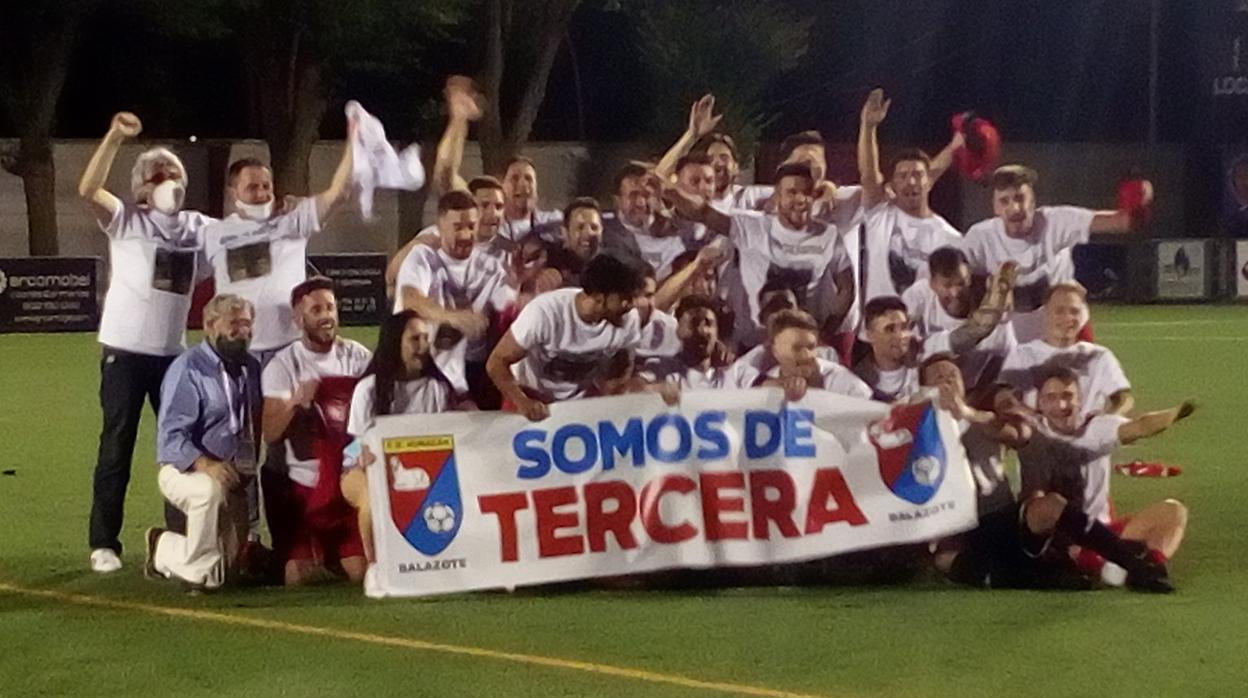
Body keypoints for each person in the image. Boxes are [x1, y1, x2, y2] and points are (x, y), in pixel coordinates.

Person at [78, 111, 218, 573]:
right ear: (143, 187)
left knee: (182, 448)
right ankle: (104, 543)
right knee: (117, 444)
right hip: (124, 350)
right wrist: (115, 136)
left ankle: (179, 537)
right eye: (161, 176)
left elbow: (242, 240)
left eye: (176, 176)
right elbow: (88, 189)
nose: (170, 184)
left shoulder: (197, 226)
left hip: (173, 355)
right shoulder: (127, 220)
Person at [1018, 367, 1190, 585]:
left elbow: (1139, 427)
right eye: (1051, 398)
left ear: (1080, 400)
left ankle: (1150, 566)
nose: (1061, 405)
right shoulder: (1030, 434)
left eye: (1067, 396)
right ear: (1040, 403)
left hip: (1105, 535)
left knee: (1173, 511)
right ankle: (1119, 567)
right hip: (1063, 544)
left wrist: (1176, 413)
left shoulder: (1096, 428)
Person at [203, 122, 354, 367]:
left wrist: (354, 143)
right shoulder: (212, 233)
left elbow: (340, 193)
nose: (262, 193)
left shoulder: (292, 222)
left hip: (288, 347)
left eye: (266, 185)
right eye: (252, 187)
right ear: (233, 192)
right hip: (238, 348)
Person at [665, 162, 857, 347]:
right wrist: (668, 192)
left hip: (802, 344)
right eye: (792, 192)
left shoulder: (828, 235)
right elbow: (703, 213)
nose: (800, 199)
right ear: (777, 196)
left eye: (807, 193)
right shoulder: (751, 226)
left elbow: (847, 288)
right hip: (752, 344)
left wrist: (824, 332)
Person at [143, 294, 260, 592]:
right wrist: (205, 464)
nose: (242, 331)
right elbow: (170, 436)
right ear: (210, 325)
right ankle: (189, 564)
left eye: (247, 324)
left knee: (224, 577)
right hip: (186, 473)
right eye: (234, 324)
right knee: (208, 491)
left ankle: (164, 547)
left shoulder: (251, 368)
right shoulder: (188, 369)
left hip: (232, 479)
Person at [260, 278, 372, 585]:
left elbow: (374, 418)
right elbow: (269, 433)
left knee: (361, 572)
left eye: (331, 307)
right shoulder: (283, 365)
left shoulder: (358, 357)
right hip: (302, 486)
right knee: (298, 578)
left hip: (346, 479)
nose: (327, 316)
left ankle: (335, 554)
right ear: (298, 318)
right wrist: (295, 402)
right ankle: (306, 553)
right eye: (317, 309)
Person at [961, 164, 1150, 342]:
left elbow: (1120, 222)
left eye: (1020, 198)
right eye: (1004, 201)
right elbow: (958, 283)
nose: (1014, 208)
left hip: (1067, 332)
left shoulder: (1056, 221)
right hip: (1013, 342)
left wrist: (1136, 207)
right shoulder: (980, 237)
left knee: (1090, 370)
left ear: (1033, 201)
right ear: (995, 207)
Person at [341, 311, 456, 590]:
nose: (422, 345)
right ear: (396, 343)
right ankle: (375, 568)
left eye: (425, 338)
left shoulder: (437, 388)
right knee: (371, 498)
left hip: (417, 469)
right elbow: (353, 442)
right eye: (414, 338)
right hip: (361, 468)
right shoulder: (368, 389)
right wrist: (363, 455)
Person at [394, 190, 517, 406]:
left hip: (451, 384)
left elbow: (511, 308)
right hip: (405, 377)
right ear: (440, 227)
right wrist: (454, 317)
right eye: (457, 227)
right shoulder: (422, 257)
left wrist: (526, 287)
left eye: (471, 226)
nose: (465, 235)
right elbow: (410, 300)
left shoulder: (491, 269)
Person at [486, 255, 645, 421]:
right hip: (530, 393)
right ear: (599, 296)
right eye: (625, 298)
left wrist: (618, 385)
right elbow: (496, 362)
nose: (632, 304)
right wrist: (522, 402)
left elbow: (624, 361)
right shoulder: (544, 312)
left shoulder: (628, 318)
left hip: (580, 401)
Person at [857, 89, 963, 306]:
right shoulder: (880, 214)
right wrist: (868, 127)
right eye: (903, 176)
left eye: (918, 175)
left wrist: (957, 146)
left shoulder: (949, 238)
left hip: (923, 336)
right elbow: (869, 175)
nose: (911, 182)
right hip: (874, 334)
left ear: (929, 181)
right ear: (893, 184)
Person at [1000, 282, 1132, 418]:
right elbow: (1003, 396)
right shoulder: (1023, 355)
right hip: (1038, 436)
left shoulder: (1100, 356)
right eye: (1059, 311)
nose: (1067, 318)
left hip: (1084, 436)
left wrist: (1108, 419)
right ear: (1045, 313)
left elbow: (1124, 398)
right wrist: (1031, 419)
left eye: (1074, 311)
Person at [905, 249, 1018, 396]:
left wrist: (973, 400)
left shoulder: (997, 320)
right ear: (932, 283)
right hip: (923, 388)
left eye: (960, 284)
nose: (955, 292)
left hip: (971, 391)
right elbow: (901, 334)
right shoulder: (919, 294)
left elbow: (1004, 362)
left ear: (969, 277)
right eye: (947, 286)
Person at [730, 309, 872, 400]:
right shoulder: (766, 383)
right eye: (797, 348)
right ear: (775, 351)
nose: (806, 355)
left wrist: (817, 393)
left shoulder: (845, 384)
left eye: (811, 347)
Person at [640, 295, 735, 390]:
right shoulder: (661, 369)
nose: (702, 330)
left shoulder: (733, 372)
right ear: (679, 331)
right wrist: (657, 389)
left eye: (708, 323)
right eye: (694, 323)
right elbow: (633, 388)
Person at [853, 296, 920, 403]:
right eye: (890, 329)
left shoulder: (923, 372)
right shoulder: (855, 381)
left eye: (904, 327)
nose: (901, 336)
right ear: (869, 335)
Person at [541, 197, 605, 286]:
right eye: (580, 227)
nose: (588, 233)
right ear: (565, 232)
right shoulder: (548, 260)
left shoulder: (610, 268)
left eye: (594, 228)